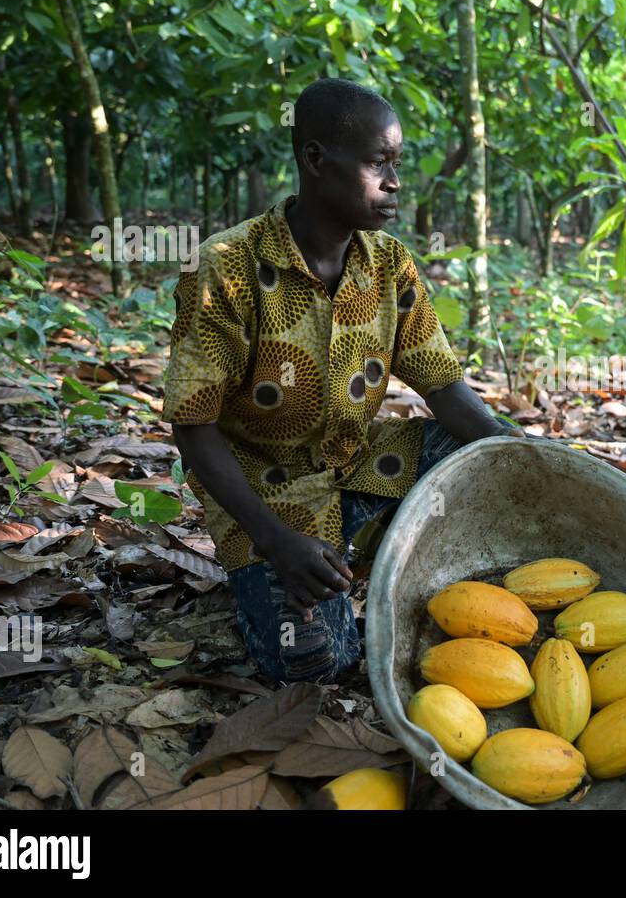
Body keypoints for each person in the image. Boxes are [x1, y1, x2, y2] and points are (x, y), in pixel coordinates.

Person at [162, 78, 522, 685]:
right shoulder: (227, 266)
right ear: (315, 159)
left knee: (484, 453)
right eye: (379, 163)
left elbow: (441, 385)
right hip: (266, 496)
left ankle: (384, 555)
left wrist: (520, 451)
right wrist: (275, 541)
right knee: (318, 665)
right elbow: (192, 426)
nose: (394, 182)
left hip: (357, 461)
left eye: (397, 165)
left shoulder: (389, 265)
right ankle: (280, 574)